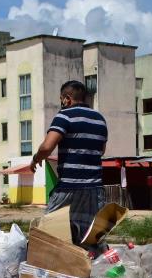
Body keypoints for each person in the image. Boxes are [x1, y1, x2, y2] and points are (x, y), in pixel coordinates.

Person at [29, 80, 108, 244]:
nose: (62, 103)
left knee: (47, 233)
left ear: (67, 98)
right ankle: (92, 265)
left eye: (61, 99)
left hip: (69, 185)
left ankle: (45, 265)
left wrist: (36, 158)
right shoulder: (100, 119)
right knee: (90, 237)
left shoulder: (64, 115)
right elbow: (101, 151)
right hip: (94, 187)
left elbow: (47, 147)